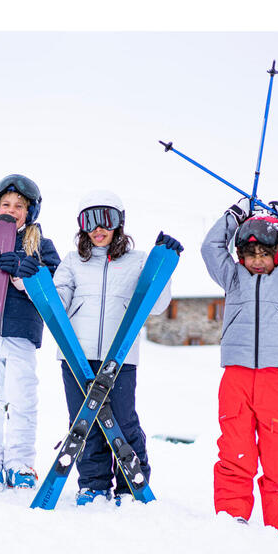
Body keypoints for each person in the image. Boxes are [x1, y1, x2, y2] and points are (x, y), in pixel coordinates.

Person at [200, 197, 278, 537]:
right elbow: (210, 247)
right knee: (235, 449)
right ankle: (231, 515)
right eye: (250, 254)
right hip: (236, 375)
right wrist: (234, 215)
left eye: (264, 254)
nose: (256, 261)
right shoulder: (233, 278)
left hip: (274, 377)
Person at [53, 190, 181, 505]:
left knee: (123, 420)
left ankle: (130, 484)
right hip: (76, 355)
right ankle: (94, 484)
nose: (98, 228)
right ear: (81, 226)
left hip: (121, 356)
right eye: (90, 221)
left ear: (119, 223)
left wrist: (161, 265)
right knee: (84, 422)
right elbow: (58, 303)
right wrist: (37, 282)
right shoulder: (72, 262)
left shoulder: (137, 262)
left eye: (106, 219)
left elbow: (157, 305)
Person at [0, 175, 61, 490]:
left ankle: (20, 462)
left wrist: (25, 277)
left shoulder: (41, 247)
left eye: (20, 205)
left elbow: (52, 293)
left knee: (21, 398)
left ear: (31, 211)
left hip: (20, 331)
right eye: (7, 204)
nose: (13, 210)